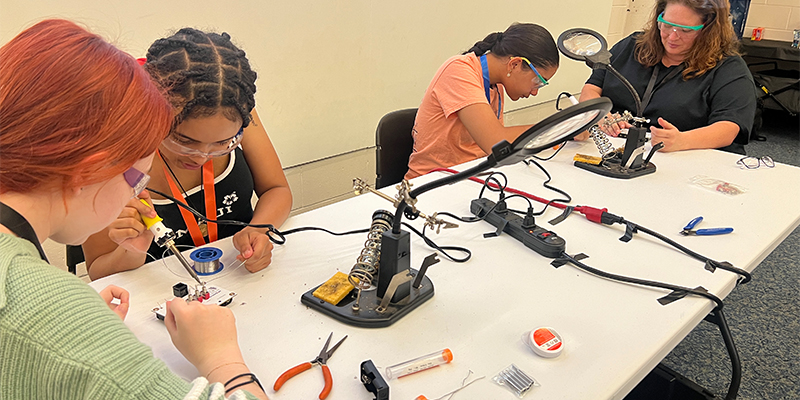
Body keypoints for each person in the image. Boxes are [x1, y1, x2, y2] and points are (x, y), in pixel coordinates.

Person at [0, 19, 267, 399]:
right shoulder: (56, 317)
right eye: (136, 178)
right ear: (89, 170)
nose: (138, 193)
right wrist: (222, 358)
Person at [83, 28, 292, 280]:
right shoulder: (112, 154)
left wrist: (258, 229)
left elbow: (276, 189)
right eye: (184, 141)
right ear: (152, 111)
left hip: (239, 277)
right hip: (159, 295)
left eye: (223, 143)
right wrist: (131, 252)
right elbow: (97, 271)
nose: (201, 157)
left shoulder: (233, 113)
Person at [578, 0, 756, 154]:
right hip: (617, 149)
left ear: (709, 30)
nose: (672, 36)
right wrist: (599, 116)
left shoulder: (729, 68)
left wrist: (682, 140)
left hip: (687, 158)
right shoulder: (632, 46)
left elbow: (728, 128)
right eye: (667, 24)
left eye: (686, 31)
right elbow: (592, 88)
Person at [405, 23, 560, 179]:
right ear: (515, 64)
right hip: (430, 183)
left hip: (470, 176)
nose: (534, 92)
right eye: (538, 81)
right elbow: (495, 143)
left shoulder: (496, 86)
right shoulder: (458, 71)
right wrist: (556, 128)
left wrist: (564, 130)